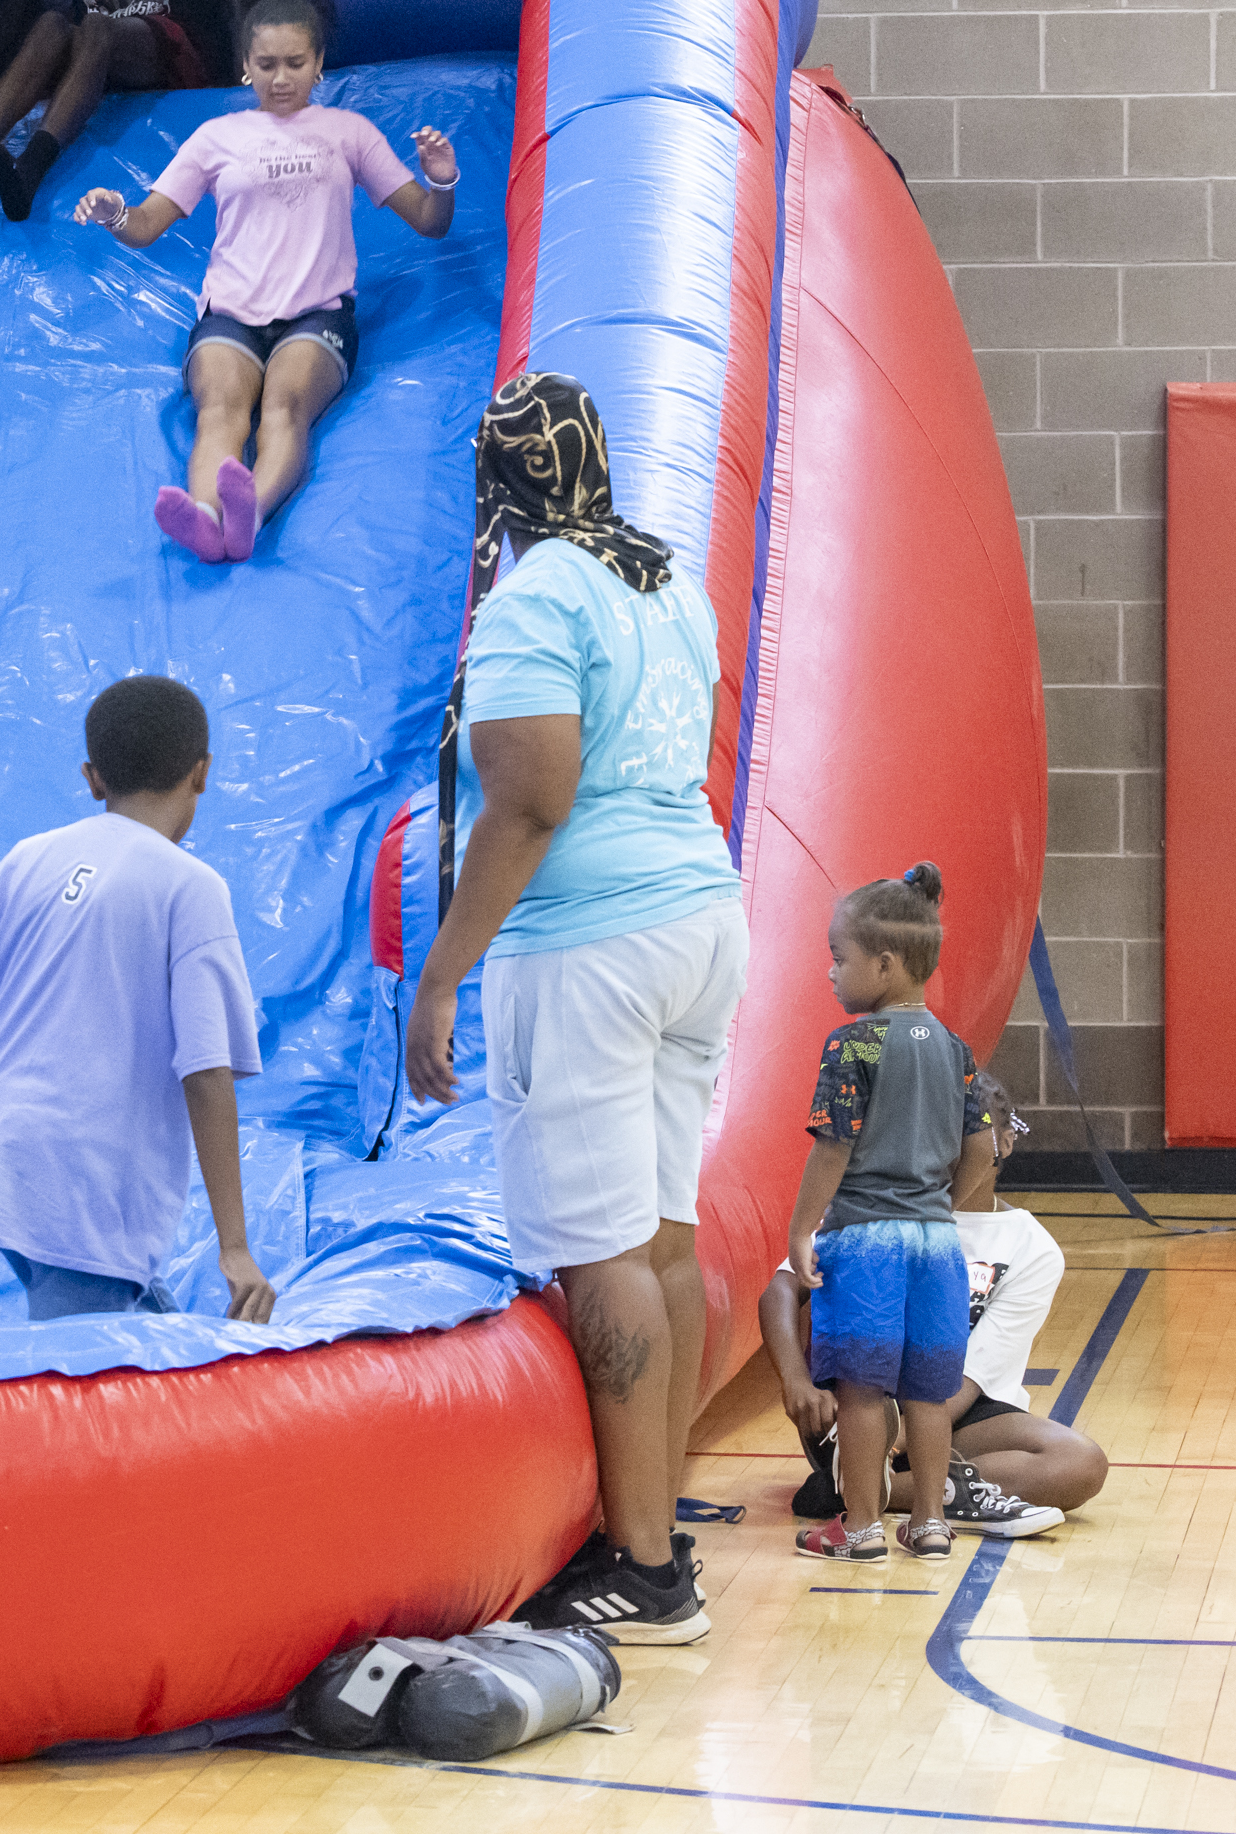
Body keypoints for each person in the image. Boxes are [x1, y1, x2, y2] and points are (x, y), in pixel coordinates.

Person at [402, 372, 747, 1644]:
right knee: (662, 1236)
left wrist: (443, 971)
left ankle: (644, 1567)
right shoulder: (668, 583)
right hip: (701, 914)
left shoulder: (535, 592)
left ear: (498, 484)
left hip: (593, 940)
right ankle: (655, 1534)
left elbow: (533, 799)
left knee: (598, 1249)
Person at [0, 674, 276, 1325]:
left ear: (91, 777)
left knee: (124, 1321)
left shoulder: (26, 860)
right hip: (82, 1179)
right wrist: (235, 1248)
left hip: (2, 1156)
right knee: (89, 1385)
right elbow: (206, 1069)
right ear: (203, 773)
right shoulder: (187, 886)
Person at [71, 0, 455, 562]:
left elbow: (430, 221)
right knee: (220, 413)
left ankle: (251, 508)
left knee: (284, 407)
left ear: (319, 62)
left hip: (316, 316)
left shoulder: (349, 133)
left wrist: (440, 176)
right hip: (230, 313)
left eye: (295, 63)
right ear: (245, 65)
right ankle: (206, 520)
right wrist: (114, 212)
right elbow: (147, 225)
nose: (281, 79)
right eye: (267, 64)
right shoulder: (216, 137)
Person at [759, 1067, 1104, 1532]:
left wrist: (905, 1438)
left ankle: (863, 1491)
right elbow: (782, 1289)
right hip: (861, 1408)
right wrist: (796, 1381)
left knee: (1081, 1463)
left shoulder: (1033, 1248)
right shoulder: (877, 1206)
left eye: (963, 1138)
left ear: (1005, 1142)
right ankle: (904, 1481)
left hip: (964, 1408)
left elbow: (974, 1373)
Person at [781, 864, 997, 1563]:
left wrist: (803, 1227)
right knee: (928, 1392)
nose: (831, 974)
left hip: (866, 1242)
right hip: (936, 1246)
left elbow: (833, 1148)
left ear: (884, 963)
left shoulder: (854, 1045)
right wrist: (938, 1209)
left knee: (863, 1392)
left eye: (839, 960)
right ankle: (931, 1523)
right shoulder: (956, 1050)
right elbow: (982, 1151)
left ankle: (863, 1526)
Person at [0, 0, 227, 222]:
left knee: (96, 24)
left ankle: (30, 169)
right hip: (93, 48)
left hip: (161, 42)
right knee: (51, 23)